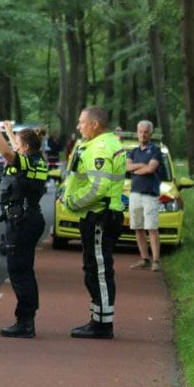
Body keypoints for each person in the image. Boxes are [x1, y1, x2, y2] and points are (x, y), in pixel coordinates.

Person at [61, 106, 126, 340]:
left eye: (82, 122)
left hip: (100, 216)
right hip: (101, 215)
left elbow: (98, 187)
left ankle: (102, 325)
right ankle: (98, 319)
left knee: (98, 270)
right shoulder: (103, 144)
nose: (79, 126)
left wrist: (73, 202)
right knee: (94, 268)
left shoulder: (100, 147)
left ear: (95, 124)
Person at [0, 113, 48, 338]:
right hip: (30, 218)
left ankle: (25, 322)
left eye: (19, 144)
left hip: (22, 221)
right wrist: (10, 132)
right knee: (25, 269)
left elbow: (7, 153)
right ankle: (26, 318)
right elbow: (14, 149)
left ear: (26, 147)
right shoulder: (37, 161)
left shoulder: (25, 162)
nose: (16, 147)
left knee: (20, 271)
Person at [126, 120, 163, 272]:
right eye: (140, 132)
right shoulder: (133, 151)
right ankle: (144, 259)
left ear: (150, 134)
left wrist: (136, 170)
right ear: (137, 133)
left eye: (146, 132)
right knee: (138, 228)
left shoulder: (155, 150)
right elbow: (127, 167)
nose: (143, 134)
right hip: (134, 194)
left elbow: (151, 169)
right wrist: (142, 166)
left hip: (150, 195)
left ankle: (156, 261)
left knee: (152, 228)